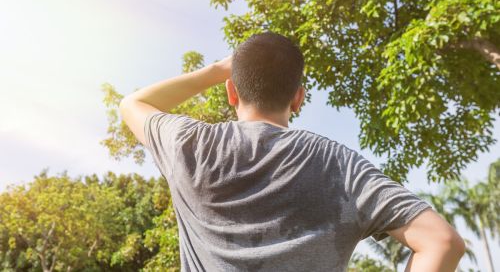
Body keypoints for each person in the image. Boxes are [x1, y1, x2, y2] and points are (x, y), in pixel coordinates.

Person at [119, 31, 465, 271]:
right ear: (298, 98)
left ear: (231, 93)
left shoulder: (189, 145)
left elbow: (134, 103)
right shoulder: (339, 165)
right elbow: (443, 242)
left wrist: (220, 69)